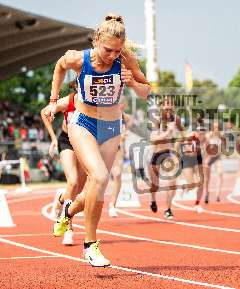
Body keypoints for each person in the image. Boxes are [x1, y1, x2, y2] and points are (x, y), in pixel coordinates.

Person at [49, 14, 150, 267]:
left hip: (111, 126)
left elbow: (146, 89)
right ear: (96, 40)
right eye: (108, 49)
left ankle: (68, 211)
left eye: (117, 51)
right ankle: (90, 246)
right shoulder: (78, 58)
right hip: (83, 122)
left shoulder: (126, 60)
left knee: (95, 189)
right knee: (101, 177)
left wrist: (134, 85)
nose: (113, 55)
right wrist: (53, 99)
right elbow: (59, 66)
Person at [41, 81, 87, 245]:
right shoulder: (68, 101)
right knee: (73, 182)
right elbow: (44, 112)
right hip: (66, 141)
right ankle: (69, 229)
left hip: (85, 142)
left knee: (80, 190)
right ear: (76, 87)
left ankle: (60, 199)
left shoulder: (95, 103)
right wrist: (53, 139)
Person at [148, 98, 183, 219]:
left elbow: (183, 132)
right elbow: (152, 138)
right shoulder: (156, 119)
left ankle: (168, 209)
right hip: (155, 154)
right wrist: (167, 133)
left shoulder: (175, 119)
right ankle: (153, 200)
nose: (169, 107)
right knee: (154, 185)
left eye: (171, 105)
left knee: (173, 180)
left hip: (168, 154)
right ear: (161, 106)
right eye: (166, 105)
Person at [204, 121, 223, 204]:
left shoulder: (220, 136)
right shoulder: (208, 136)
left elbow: (221, 148)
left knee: (220, 173)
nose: (216, 129)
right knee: (207, 178)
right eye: (215, 127)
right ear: (212, 128)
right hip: (208, 157)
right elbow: (204, 148)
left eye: (217, 127)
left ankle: (217, 194)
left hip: (217, 157)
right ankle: (207, 193)